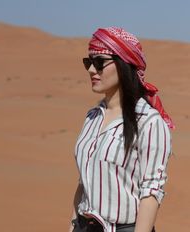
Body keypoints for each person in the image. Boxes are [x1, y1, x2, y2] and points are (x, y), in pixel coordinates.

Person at [68, 27, 174, 232]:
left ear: (124, 64)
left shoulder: (149, 122)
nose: (91, 70)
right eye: (88, 62)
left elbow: (151, 192)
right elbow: (84, 183)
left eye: (99, 62)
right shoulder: (92, 117)